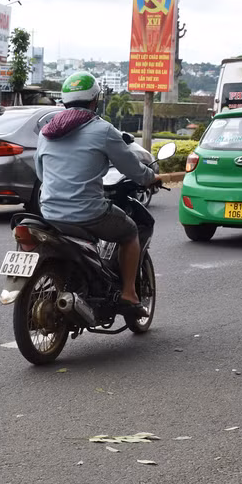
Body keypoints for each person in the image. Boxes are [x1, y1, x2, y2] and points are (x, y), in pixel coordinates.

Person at [35, 71, 162, 317]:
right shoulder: (103, 130)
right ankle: (128, 293)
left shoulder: (46, 133)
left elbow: (42, 174)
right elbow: (132, 168)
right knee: (130, 232)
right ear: (95, 101)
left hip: (49, 211)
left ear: (64, 101)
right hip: (88, 213)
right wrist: (151, 178)